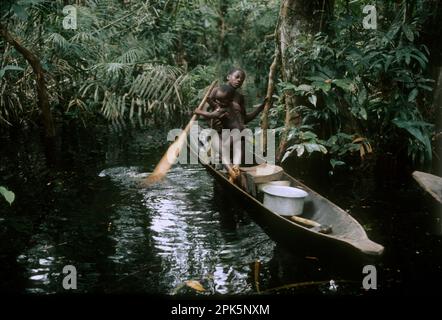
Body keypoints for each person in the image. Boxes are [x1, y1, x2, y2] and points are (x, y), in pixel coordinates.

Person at [195, 68, 267, 180]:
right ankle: (227, 166)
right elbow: (206, 114)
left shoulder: (239, 97)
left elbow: (245, 119)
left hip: (235, 134)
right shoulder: (215, 91)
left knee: (239, 142)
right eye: (236, 77)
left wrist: (260, 108)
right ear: (229, 76)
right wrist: (213, 122)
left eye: (241, 79)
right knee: (221, 148)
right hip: (218, 133)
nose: (239, 80)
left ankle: (235, 169)